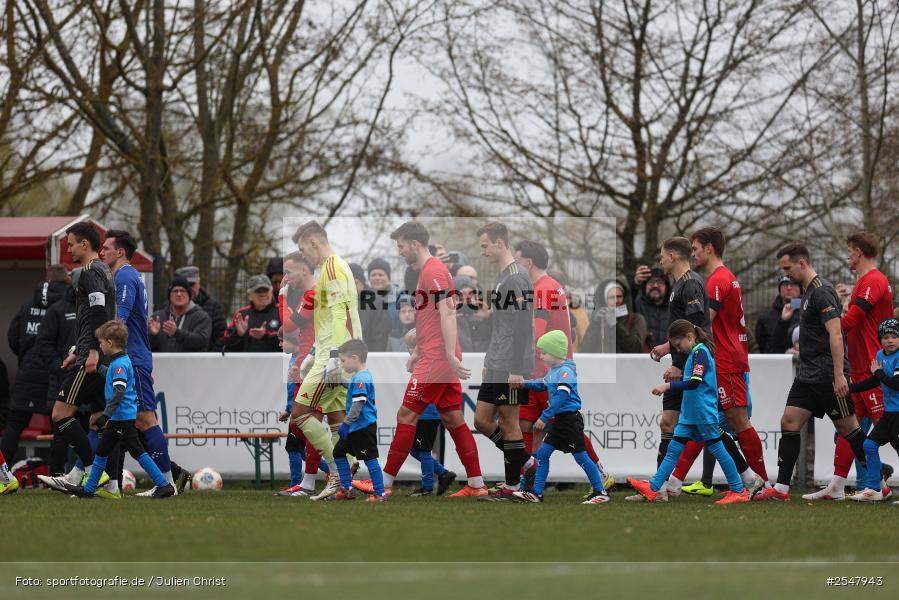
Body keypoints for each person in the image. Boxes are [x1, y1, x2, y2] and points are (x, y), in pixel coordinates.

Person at [378, 221, 486, 498]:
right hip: (435, 354)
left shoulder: (434, 270)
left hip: (438, 358)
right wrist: (417, 351)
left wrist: (447, 354)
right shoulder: (426, 272)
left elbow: (448, 313)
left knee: (406, 414)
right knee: (452, 418)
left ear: (415, 244)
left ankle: (384, 485)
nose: (399, 252)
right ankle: (476, 485)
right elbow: (429, 319)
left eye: (401, 246)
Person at [755, 243, 869, 502]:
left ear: (802, 263)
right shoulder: (807, 292)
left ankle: (880, 476)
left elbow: (836, 334)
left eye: (787, 268)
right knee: (789, 422)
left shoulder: (822, 292)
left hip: (828, 375)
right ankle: (781, 489)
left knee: (849, 429)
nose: (785, 275)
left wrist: (839, 375)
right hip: (808, 375)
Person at [668, 227, 767, 497]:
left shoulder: (715, 280)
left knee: (737, 421)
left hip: (725, 360)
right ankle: (673, 484)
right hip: (727, 359)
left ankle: (761, 483)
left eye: (697, 248)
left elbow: (700, 327)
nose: (694, 253)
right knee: (703, 424)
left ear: (709, 248)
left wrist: (670, 345)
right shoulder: (725, 277)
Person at [805, 232, 895, 501]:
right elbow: (852, 317)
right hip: (857, 367)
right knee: (846, 429)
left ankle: (876, 486)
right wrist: (841, 303)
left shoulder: (873, 280)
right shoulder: (863, 282)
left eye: (849, 251)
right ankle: (838, 485)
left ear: (857, 252)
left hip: (872, 368)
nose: (847, 256)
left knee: (890, 430)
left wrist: (825, 327)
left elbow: (852, 320)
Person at [103, 230, 190, 497]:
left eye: (106, 247)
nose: (101, 252)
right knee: (123, 422)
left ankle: (167, 484)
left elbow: (121, 320)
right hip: (132, 358)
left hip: (133, 359)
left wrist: (105, 345)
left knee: (145, 420)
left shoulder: (125, 275)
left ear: (120, 252)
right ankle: (108, 483)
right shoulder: (125, 276)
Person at [627, 320, 749, 504]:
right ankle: (653, 488)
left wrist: (667, 386)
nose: (678, 349)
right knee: (673, 451)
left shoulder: (700, 352)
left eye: (678, 344)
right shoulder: (694, 352)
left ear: (690, 337)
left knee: (718, 449)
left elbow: (695, 382)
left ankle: (738, 490)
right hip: (690, 414)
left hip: (703, 413)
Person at [38, 222, 116, 494]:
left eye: (71, 244)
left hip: (92, 357)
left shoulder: (89, 271)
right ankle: (106, 483)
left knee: (60, 414)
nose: (68, 249)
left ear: (85, 244)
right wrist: (76, 350)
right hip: (93, 353)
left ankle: (96, 472)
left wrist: (91, 351)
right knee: (97, 421)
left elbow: (98, 311)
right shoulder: (104, 269)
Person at [289, 221, 363, 501]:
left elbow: (338, 314)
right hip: (333, 354)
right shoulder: (333, 268)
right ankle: (344, 484)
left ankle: (338, 473)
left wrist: (333, 356)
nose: (303, 256)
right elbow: (332, 317)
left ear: (314, 243)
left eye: (302, 249)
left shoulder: (331, 267)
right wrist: (313, 354)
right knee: (334, 418)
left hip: (334, 357)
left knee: (301, 413)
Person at [64, 321, 174, 499]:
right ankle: (89, 489)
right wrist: (97, 368)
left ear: (109, 343)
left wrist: (105, 415)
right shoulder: (121, 361)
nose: (99, 346)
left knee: (137, 451)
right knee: (101, 452)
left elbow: (119, 391)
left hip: (121, 418)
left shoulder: (120, 364)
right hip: (119, 418)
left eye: (100, 342)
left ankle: (164, 485)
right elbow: (112, 375)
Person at [355, 328, 457, 497]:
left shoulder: (428, 364)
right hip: (423, 414)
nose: (409, 350)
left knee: (423, 450)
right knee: (413, 448)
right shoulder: (425, 363)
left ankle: (427, 486)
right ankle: (443, 473)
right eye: (409, 347)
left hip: (427, 414)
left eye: (411, 346)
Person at [512, 330, 611, 505]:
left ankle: (600, 491)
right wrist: (524, 384)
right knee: (542, 454)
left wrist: (544, 416)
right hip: (560, 421)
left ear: (555, 352)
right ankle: (537, 493)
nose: (540, 355)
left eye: (543, 352)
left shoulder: (565, 371)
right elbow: (542, 384)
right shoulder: (554, 371)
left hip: (569, 421)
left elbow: (561, 396)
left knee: (581, 456)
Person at [473, 221, 534, 501]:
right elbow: (503, 324)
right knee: (483, 420)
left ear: (500, 243)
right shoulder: (502, 276)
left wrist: (517, 369)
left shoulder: (516, 277)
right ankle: (525, 462)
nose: (483, 251)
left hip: (510, 364)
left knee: (509, 423)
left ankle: (513, 486)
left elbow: (523, 326)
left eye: (485, 245)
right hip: (497, 360)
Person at [648, 238, 711, 470]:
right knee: (668, 422)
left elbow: (693, 330)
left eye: (662, 256)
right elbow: (685, 330)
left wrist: (679, 365)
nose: (661, 261)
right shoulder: (679, 285)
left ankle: (745, 480)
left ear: (673, 256)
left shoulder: (691, 284)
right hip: (681, 362)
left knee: (711, 429)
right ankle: (661, 484)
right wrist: (668, 346)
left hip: (690, 366)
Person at [2, 268, 68, 463]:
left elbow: (13, 336)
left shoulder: (28, 303)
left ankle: (1, 475)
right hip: (55, 372)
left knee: (14, 425)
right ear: (65, 282)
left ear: (47, 280)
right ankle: (56, 476)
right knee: (60, 425)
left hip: (28, 372)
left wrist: (24, 358)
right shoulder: (66, 306)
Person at [277, 252, 327, 497]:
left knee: (303, 420)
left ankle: (339, 471)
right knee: (305, 424)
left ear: (304, 271)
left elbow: (288, 326)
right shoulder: (311, 295)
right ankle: (311, 482)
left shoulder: (313, 294)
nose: (285, 277)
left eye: (289, 272)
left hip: (314, 365)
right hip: (309, 363)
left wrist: (281, 298)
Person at [326, 339, 387, 502]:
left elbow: (358, 404)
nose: (342, 364)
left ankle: (380, 494)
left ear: (355, 358)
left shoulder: (361, 378)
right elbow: (354, 389)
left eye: (343, 360)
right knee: (338, 452)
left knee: (370, 458)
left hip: (362, 427)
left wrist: (346, 423)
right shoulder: (359, 377)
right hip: (355, 427)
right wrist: (340, 381)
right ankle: (346, 489)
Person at [845, 318, 899, 501]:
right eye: (885, 337)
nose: (890, 340)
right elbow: (876, 381)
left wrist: (878, 372)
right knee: (869, 445)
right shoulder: (880, 355)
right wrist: (849, 389)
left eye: (894, 336)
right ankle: (874, 489)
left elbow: (895, 383)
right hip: (889, 415)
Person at [581, 279, 648, 353]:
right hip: (602, 364)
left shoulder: (636, 319)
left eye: (619, 296)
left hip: (627, 364)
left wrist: (615, 326)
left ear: (624, 298)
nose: (616, 301)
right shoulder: (599, 319)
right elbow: (585, 349)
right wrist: (595, 324)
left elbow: (636, 348)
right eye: (611, 297)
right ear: (605, 300)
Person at [149, 277, 213, 352]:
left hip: (190, 363)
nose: (179, 294)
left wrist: (176, 333)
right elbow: (146, 347)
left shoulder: (201, 317)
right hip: (162, 363)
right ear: (169, 296)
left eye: (182, 291)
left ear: (189, 295)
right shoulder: (157, 317)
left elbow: (202, 341)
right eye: (175, 291)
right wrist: (152, 336)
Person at [220, 275, 281, 353]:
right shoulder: (241, 314)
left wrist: (265, 336)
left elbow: (291, 339)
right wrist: (238, 335)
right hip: (246, 363)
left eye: (265, 290)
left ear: (271, 292)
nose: (262, 294)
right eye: (258, 291)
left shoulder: (282, 311)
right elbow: (224, 342)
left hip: (277, 363)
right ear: (249, 296)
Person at [174, 266, 227, 351]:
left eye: (192, 284)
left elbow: (222, 335)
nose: (189, 288)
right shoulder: (168, 309)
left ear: (198, 283)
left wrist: (211, 357)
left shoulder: (213, 306)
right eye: (185, 285)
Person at [755, 276, 801, 354]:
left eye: (793, 284)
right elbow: (760, 346)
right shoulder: (765, 317)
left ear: (800, 288)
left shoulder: (810, 313)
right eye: (785, 284)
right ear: (779, 289)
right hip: (774, 363)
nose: (789, 288)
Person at [364, 257, 398, 352]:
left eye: (381, 274)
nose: (377, 278)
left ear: (388, 277)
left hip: (393, 348)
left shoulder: (399, 299)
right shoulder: (364, 300)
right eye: (373, 275)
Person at [633, 265, 671, 350]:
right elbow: (626, 299)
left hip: (667, 358)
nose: (655, 286)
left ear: (667, 287)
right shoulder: (637, 304)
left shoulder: (674, 307)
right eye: (651, 282)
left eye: (660, 283)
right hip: (641, 358)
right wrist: (635, 284)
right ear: (645, 286)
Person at [453, 276, 491, 352]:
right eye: (463, 293)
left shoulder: (482, 316)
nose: (468, 297)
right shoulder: (448, 317)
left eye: (471, 293)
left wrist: (490, 318)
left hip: (480, 360)